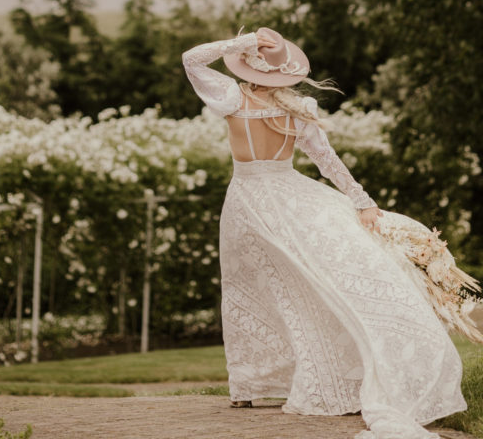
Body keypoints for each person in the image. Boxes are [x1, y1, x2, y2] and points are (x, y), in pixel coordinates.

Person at [182, 27, 468, 439]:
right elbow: (327, 163)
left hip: (247, 199)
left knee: (252, 287)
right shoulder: (298, 105)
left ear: (246, 64)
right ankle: (273, 379)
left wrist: (238, 44)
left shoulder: (231, 97)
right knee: (302, 285)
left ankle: (249, 386)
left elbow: (191, 59)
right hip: (289, 195)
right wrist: (361, 200)